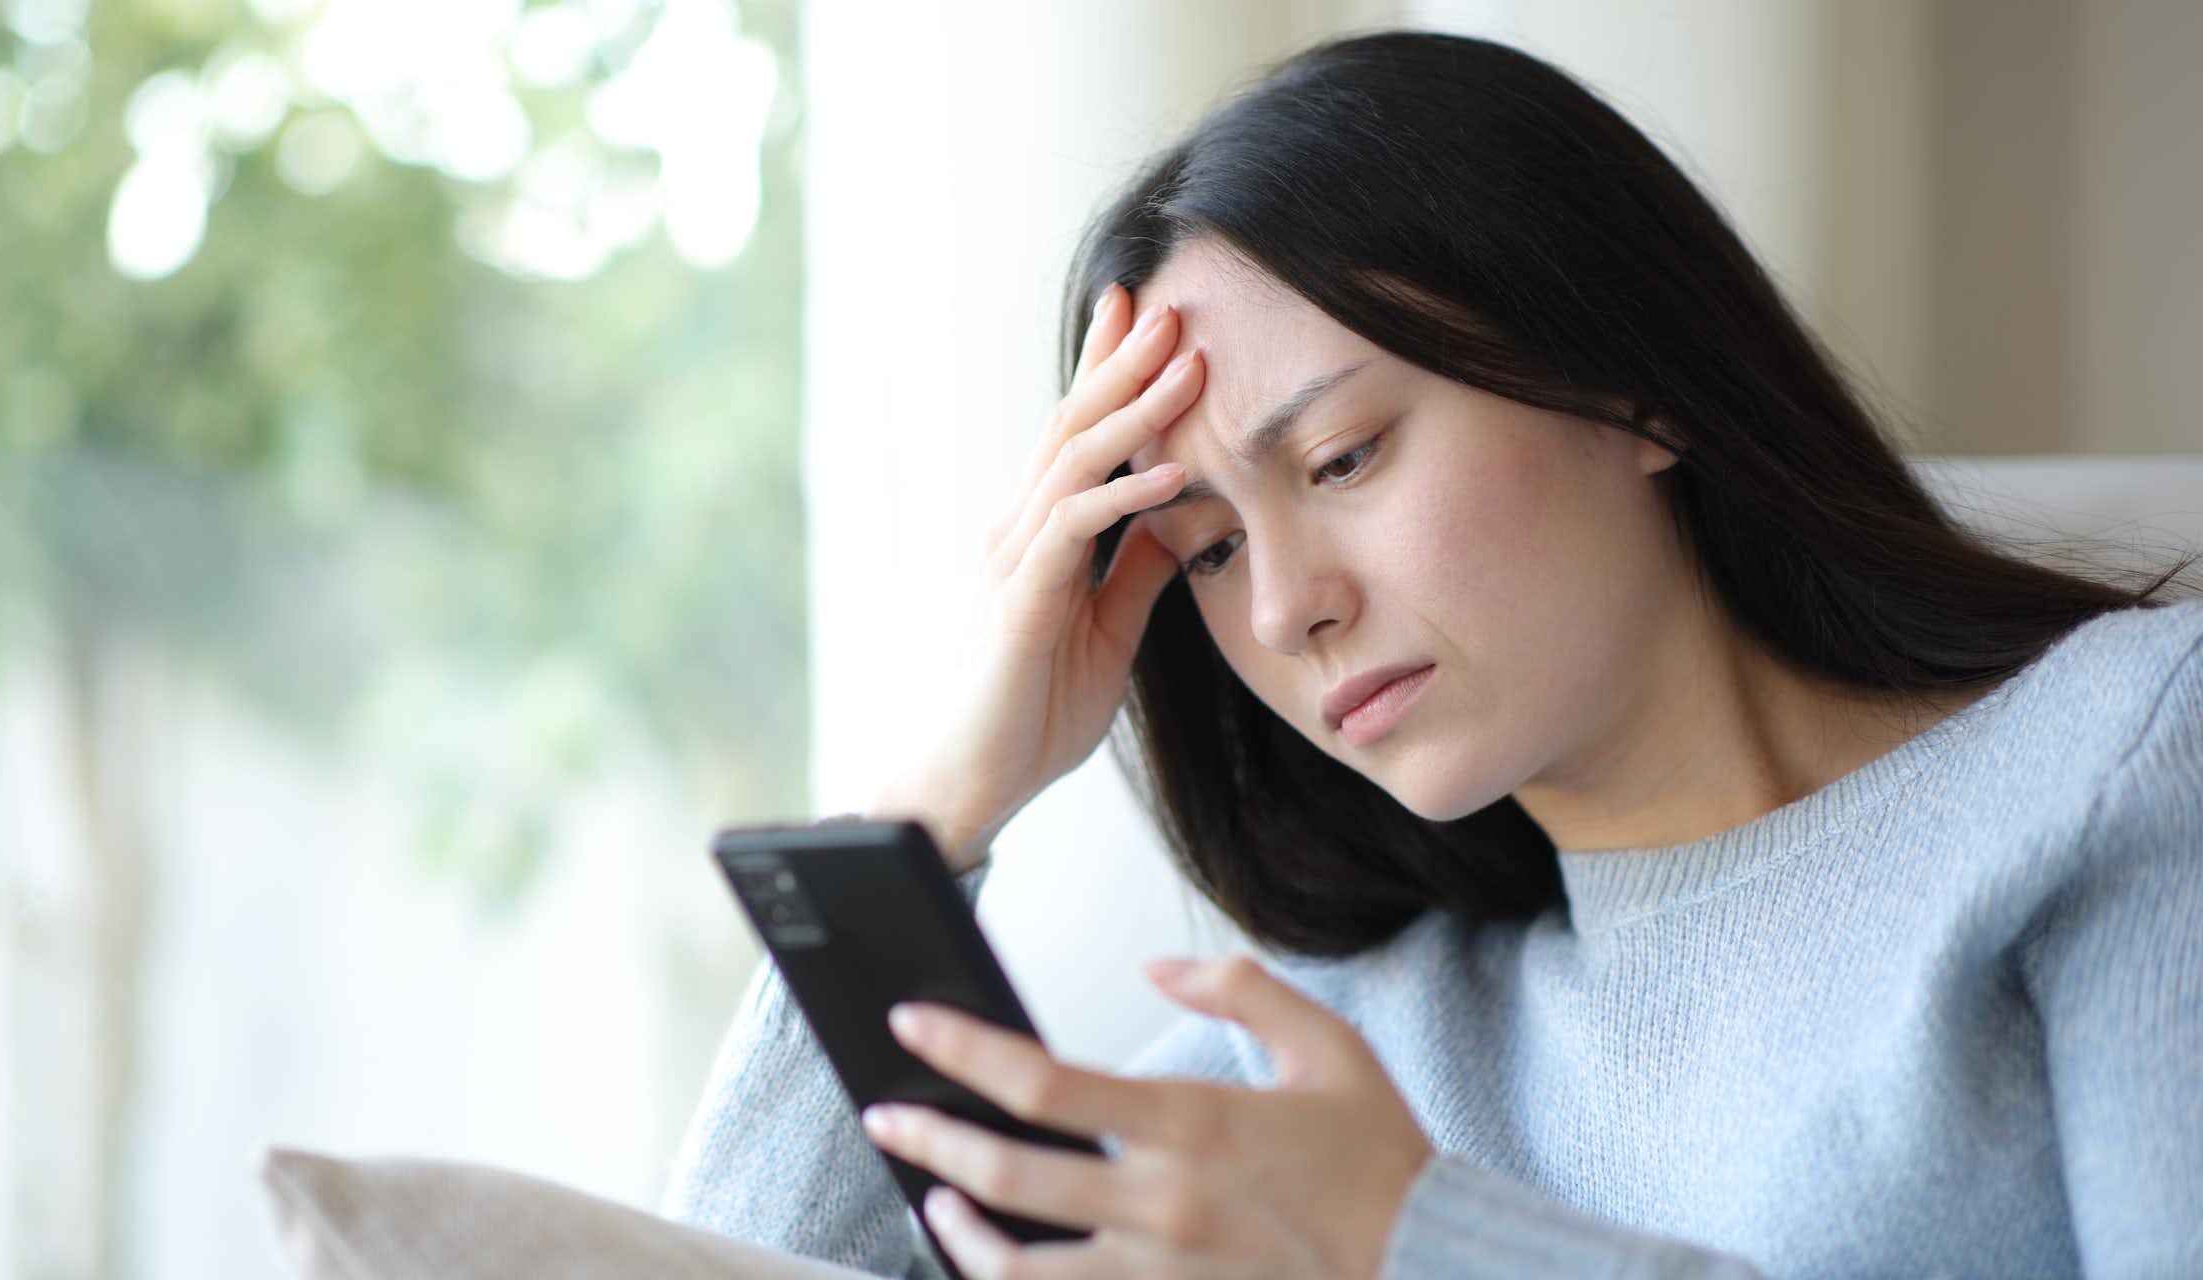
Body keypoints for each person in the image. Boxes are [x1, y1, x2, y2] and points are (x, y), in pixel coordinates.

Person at [664, 30, 2203, 1279]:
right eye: (1207, 547)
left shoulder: (2127, 758)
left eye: (1340, 459)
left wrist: (1420, 1244)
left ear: (1631, 382)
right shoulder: (1346, 1034)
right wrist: (927, 815)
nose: (1283, 607)